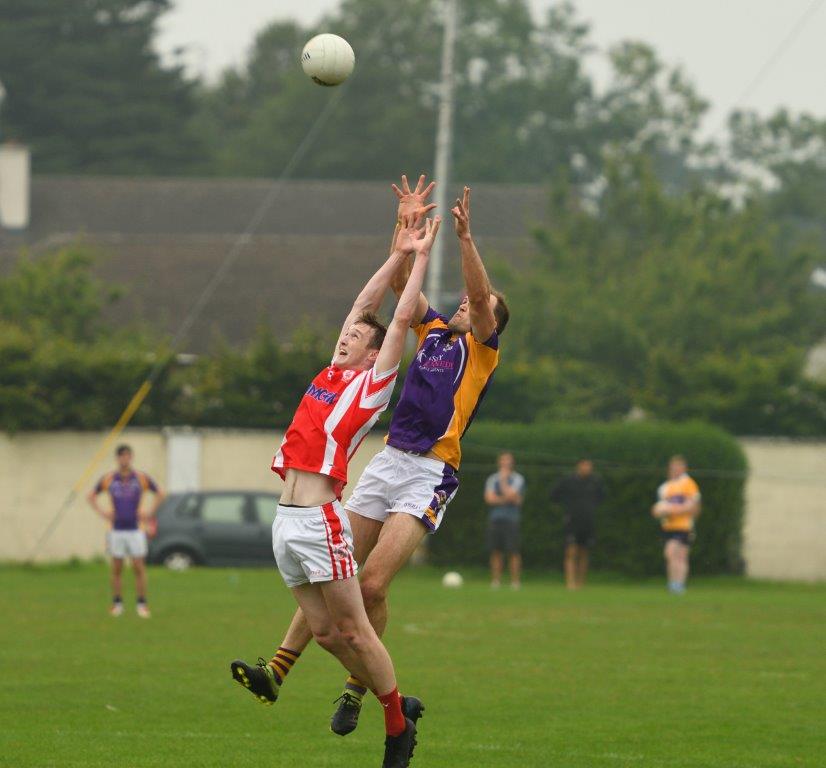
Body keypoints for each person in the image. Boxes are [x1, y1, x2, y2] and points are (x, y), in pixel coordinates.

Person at [239, 174, 509, 739]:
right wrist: (405, 225)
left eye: (477, 304)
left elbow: (482, 299)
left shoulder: (480, 349)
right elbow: (403, 283)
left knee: (371, 587)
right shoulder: (434, 330)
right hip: (390, 460)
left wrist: (463, 238)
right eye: (462, 300)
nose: (466, 302)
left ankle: (357, 691)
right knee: (330, 566)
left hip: (430, 471)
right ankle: (279, 668)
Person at [231, 213, 441, 768]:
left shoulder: (370, 385)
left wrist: (420, 258)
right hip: (286, 522)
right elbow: (363, 304)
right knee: (326, 635)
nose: (347, 334)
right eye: (346, 332)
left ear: (374, 356)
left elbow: (395, 321)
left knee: (355, 627)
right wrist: (396, 251)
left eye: (357, 336)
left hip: (322, 519)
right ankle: (395, 702)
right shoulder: (328, 374)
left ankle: (398, 726)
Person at [87, 444, 165, 618]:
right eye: (122, 456)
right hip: (116, 530)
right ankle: (117, 603)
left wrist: (150, 513)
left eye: (128, 456)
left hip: (136, 529)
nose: (125, 459)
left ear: (131, 458)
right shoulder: (108, 479)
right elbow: (91, 496)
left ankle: (142, 604)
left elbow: (160, 493)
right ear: (117, 458)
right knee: (117, 568)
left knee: (138, 567)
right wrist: (103, 513)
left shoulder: (141, 478)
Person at [549, 459, 606, 590]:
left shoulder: (595, 482)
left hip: (588, 521)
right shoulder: (568, 481)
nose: (587, 468)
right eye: (585, 465)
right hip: (572, 521)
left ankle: (581, 583)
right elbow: (553, 495)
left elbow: (602, 497)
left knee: (584, 552)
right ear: (579, 466)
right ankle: (570, 582)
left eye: (589, 465)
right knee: (571, 551)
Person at [651, 455, 701, 594]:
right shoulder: (665, 487)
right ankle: (673, 583)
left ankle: (678, 585)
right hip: (668, 527)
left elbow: (694, 507)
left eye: (679, 466)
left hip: (684, 526)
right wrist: (661, 511)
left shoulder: (689, 483)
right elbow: (658, 509)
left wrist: (676, 510)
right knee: (671, 555)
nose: (676, 469)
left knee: (677, 554)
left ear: (684, 468)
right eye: (673, 466)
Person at [484, 452, 525, 589]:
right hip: (495, 519)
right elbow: (489, 499)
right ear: (499, 462)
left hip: (512, 520)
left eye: (508, 461)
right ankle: (496, 581)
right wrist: (508, 499)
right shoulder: (491, 479)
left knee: (513, 551)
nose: (505, 463)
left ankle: (515, 582)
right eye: (503, 460)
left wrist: (503, 481)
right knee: (495, 551)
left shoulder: (518, 479)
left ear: (512, 463)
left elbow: (512, 495)